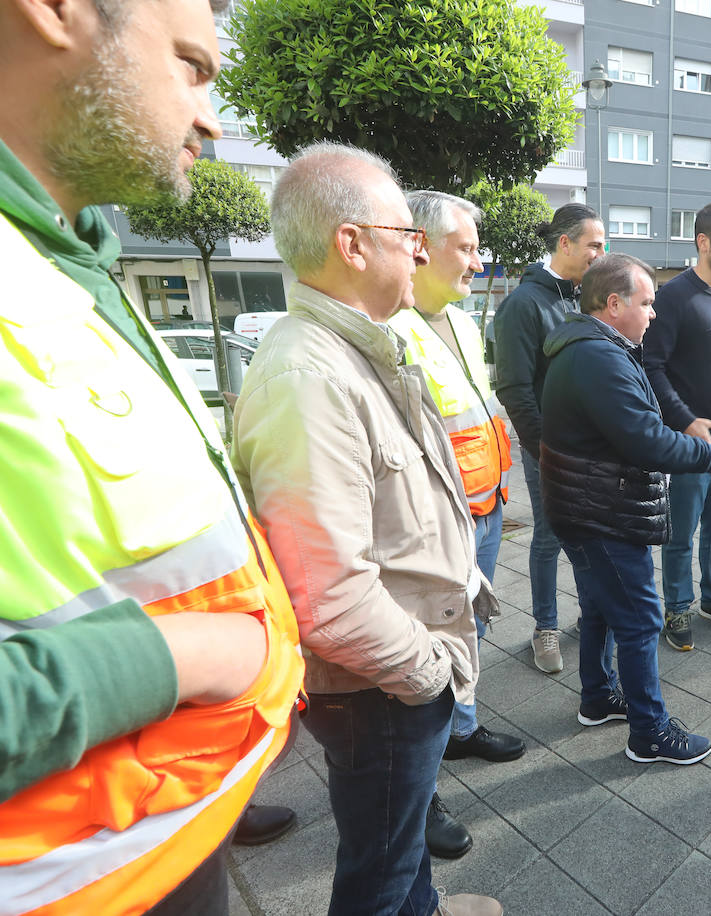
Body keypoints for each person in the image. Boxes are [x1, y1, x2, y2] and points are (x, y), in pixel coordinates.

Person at [0, 0, 304, 910]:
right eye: (191, 66)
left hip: (160, 841)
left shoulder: (56, 248)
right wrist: (178, 658)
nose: (210, 116)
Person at [232, 143, 500, 916]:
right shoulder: (309, 376)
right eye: (402, 232)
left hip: (399, 665)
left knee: (399, 842)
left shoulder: (353, 348)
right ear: (351, 244)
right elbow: (326, 595)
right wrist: (429, 676)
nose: (419, 249)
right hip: (382, 683)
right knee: (376, 876)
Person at [540, 253, 711, 765]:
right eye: (646, 303)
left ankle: (599, 697)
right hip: (600, 510)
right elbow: (645, 439)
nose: (653, 313)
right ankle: (649, 732)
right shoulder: (597, 356)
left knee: (603, 607)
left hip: (588, 502)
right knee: (642, 618)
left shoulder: (597, 347)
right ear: (613, 303)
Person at [388, 190, 524, 862]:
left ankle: (462, 729)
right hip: (437, 523)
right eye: (465, 247)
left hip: (485, 503)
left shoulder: (460, 321)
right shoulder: (391, 325)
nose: (477, 261)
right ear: (420, 244)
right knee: (428, 647)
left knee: (474, 629)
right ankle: (422, 792)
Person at [493, 203, 605, 673]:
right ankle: (545, 629)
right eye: (595, 245)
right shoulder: (523, 303)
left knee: (586, 535)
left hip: (589, 448)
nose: (602, 253)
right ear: (565, 244)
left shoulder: (582, 297)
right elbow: (514, 389)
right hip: (549, 450)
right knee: (548, 538)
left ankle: (589, 617)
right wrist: (545, 449)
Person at [643, 201, 711, 651]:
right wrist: (685, 421)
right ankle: (678, 606)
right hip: (691, 440)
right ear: (703, 241)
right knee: (682, 532)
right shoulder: (674, 296)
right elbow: (651, 365)